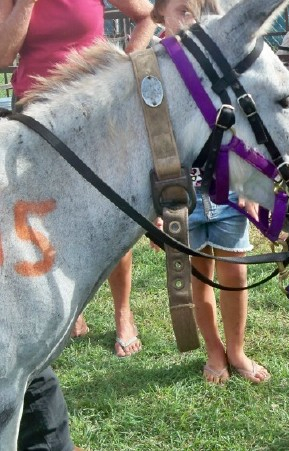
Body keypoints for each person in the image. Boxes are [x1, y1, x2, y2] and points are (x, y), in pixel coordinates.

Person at [1, 0, 154, 448]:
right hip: (35, 120)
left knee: (106, 219)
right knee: (42, 226)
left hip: (94, 120)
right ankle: (68, 312)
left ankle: (123, 315)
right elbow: (2, 55)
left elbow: (146, 14)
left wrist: (124, 71)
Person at [151, 0, 271, 385]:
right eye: (181, 11)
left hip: (229, 191)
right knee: (201, 277)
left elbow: (245, 130)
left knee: (234, 274)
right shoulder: (153, 71)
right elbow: (151, 143)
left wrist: (250, 184)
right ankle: (214, 349)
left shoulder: (220, 63)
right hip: (181, 200)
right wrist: (157, 209)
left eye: (199, 10)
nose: (191, 21)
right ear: (160, 16)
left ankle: (236, 350)